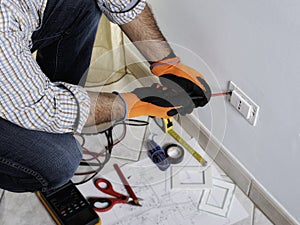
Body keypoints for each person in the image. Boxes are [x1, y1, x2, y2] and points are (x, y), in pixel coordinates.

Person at [0, 0, 211, 192]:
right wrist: (136, 103)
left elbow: (121, 2)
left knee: (81, 5)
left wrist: (167, 63)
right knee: (58, 161)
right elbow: (42, 107)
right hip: (10, 61)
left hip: (16, 34)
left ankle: (62, 125)